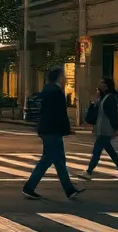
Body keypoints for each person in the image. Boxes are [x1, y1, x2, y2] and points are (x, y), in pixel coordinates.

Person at [22, 66, 83, 201]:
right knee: (47, 160)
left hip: (47, 129)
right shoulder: (56, 91)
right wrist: (67, 129)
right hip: (53, 131)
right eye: (64, 75)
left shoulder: (47, 89)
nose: (65, 78)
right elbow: (61, 114)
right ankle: (29, 187)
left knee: (59, 161)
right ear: (60, 77)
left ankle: (69, 190)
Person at [81, 77, 118, 180]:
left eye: (102, 82)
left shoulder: (110, 98)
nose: (99, 84)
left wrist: (115, 128)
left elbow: (113, 115)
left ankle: (89, 171)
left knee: (97, 150)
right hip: (101, 128)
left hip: (106, 129)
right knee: (110, 151)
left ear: (106, 85)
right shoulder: (103, 98)